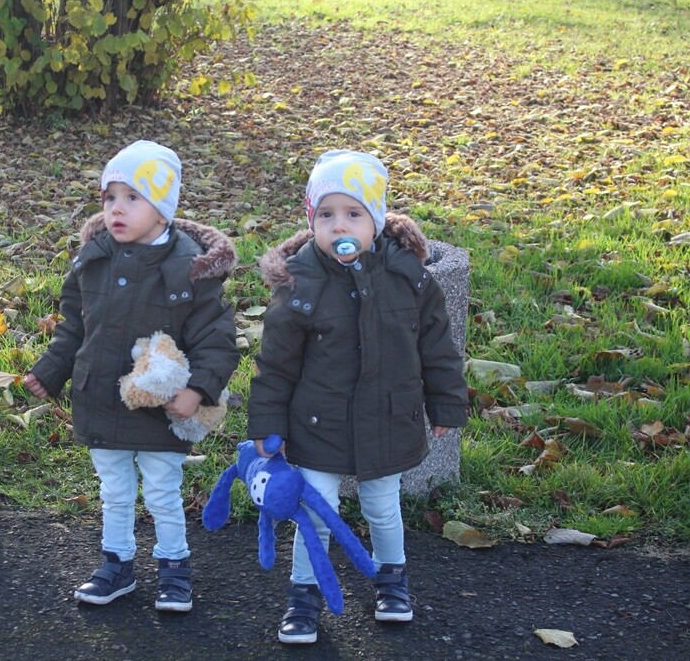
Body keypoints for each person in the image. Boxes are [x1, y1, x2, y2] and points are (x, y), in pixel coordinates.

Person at [247, 150, 468, 644]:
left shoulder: (408, 278)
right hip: (316, 422)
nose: (338, 225)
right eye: (325, 215)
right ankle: (304, 594)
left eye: (353, 214)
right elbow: (275, 365)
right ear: (311, 220)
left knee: (382, 506)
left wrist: (446, 403)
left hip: (386, 417)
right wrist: (267, 425)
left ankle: (393, 579)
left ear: (377, 220)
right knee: (316, 510)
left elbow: (437, 347)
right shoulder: (300, 284)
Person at [23, 140, 239, 613]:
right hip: (100, 396)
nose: (116, 209)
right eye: (109, 197)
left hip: (161, 407)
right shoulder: (94, 258)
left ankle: (174, 568)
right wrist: (51, 370)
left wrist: (198, 390)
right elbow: (76, 325)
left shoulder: (190, 269)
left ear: (162, 210)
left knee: (162, 490)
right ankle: (116, 564)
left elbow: (217, 339)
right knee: (114, 492)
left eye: (132, 198)